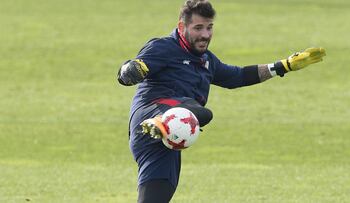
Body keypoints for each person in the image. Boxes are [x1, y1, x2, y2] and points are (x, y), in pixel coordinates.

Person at [117, 0, 326, 202]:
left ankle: (162, 125)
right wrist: (131, 70)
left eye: (209, 28)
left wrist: (284, 65)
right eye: (198, 28)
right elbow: (129, 71)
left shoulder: (207, 60)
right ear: (182, 26)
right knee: (202, 113)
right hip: (150, 114)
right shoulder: (163, 47)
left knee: (156, 197)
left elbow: (239, 76)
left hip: (168, 137)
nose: (205, 35)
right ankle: (160, 122)